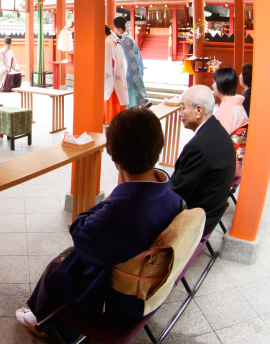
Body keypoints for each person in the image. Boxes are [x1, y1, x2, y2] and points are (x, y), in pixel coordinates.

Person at [17, 107, 184, 340]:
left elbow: (79, 231)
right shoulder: (173, 198)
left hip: (118, 298)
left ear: (112, 153)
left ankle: (47, 323)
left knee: (58, 267)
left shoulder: (119, 211)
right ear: (159, 146)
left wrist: (109, 200)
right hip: (150, 284)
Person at [171, 85, 236, 236]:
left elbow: (177, 193)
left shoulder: (198, 147)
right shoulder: (217, 129)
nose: (180, 113)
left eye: (183, 108)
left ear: (198, 110)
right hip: (213, 210)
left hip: (198, 220)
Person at [113, 16, 152, 109]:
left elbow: (127, 58)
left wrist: (125, 71)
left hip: (130, 69)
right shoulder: (129, 37)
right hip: (135, 67)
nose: (116, 31)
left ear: (120, 29)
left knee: (132, 95)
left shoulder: (125, 40)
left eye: (116, 29)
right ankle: (144, 102)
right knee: (137, 90)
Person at [212, 67, 248, 134]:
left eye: (214, 82)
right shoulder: (236, 105)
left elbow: (220, 135)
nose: (212, 85)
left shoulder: (227, 109)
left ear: (220, 83)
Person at [104, 25, 128, 124]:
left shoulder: (108, 42)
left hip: (111, 71)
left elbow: (106, 60)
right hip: (117, 71)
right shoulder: (113, 39)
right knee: (117, 95)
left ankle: (111, 117)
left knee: (111, 95)